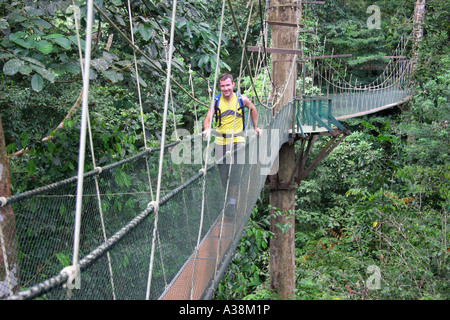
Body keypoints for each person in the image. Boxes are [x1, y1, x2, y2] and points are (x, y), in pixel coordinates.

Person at [202, 73, 262, 217]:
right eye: (222, 86)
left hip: (237, 141)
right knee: (224, 176)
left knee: (234, 171)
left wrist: (255, 127)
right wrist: (206, 129)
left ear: (233, 85)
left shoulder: (242, 99)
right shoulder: (216, 100)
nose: (225, 88)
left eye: (228, 85)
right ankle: (230, 198)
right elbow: (208, 117)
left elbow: (253, 109)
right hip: (220, 142)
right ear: (219, 87)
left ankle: (233, 202)